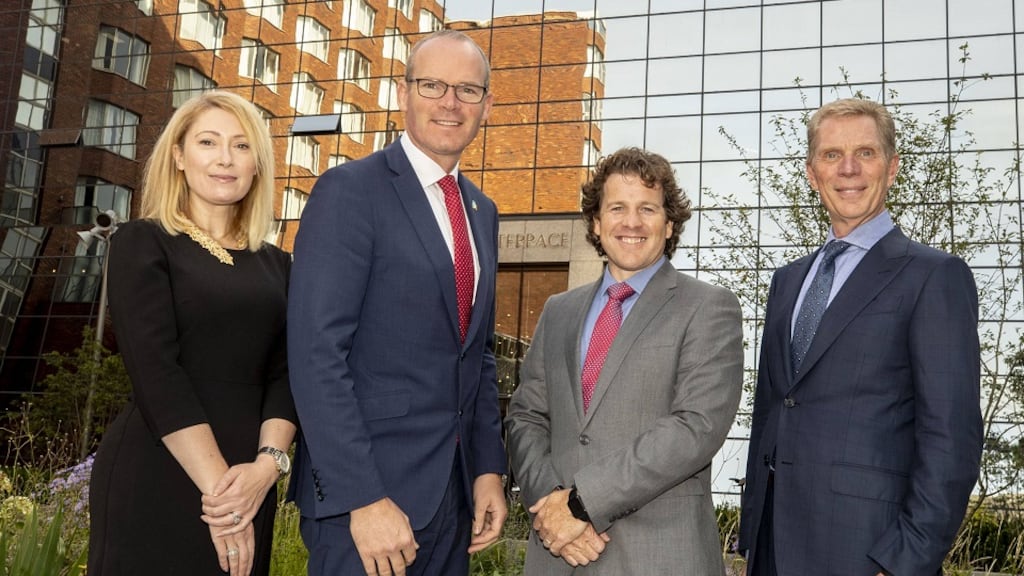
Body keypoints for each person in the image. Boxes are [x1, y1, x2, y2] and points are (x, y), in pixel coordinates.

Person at [287, 30, 507, 576]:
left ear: (487, 104)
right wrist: (362, 498)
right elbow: (316, 355)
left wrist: (486, 470)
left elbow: (475, 355)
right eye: (432, 85)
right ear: (403, 93)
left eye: (467, 90)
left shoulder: (482, 211)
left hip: (451, 503)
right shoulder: (350, 191)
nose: (450, 103)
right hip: (366, 505)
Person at [738, 98, 982, 576]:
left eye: (865, 153)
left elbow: (951, 439)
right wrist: (752, 534)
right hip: (772, 549)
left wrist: (904, 562)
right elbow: (773, 409)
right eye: (832, 155)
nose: (848, 169)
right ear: (812, 173)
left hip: (868, 552)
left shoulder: (935, 276)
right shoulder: (787, 281)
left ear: (891, 169)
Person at [505, 147, 744, 575]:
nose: (631, 222)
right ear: (596, 222)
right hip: (559, 554)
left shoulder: (709, 307)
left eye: (647, 209)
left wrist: (581, 504)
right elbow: (526, 416)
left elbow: (696, 428)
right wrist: (551, 508)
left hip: (660, 557)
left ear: (669, 224)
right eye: (617, 208)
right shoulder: (558, 311)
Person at [88, 91, 297, 576]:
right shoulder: (142, 241)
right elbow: (155, 371)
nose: (226, 158)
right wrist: (223, 498)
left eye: (242, 146)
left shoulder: (281, 265)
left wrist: (266, 470)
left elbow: (289, 375)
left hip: (251, 482)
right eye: (208, 142)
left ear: (257, 165)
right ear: (179, 156)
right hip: (162, 472)